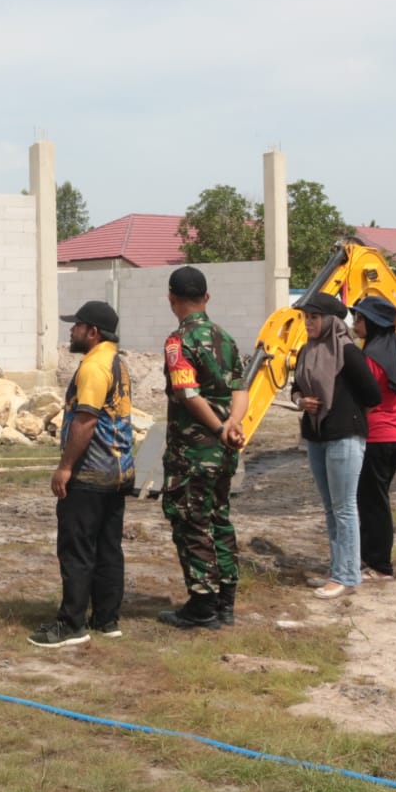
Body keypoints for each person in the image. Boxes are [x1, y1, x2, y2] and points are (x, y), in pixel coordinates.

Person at [28, 300, 134, 648]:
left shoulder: (93, 367)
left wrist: (65, 467)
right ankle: (107, 618)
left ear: (93, 332)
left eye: (76, 326)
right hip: (117, 472)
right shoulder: (116, 362)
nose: (71, 331)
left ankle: (71, 624)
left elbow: (85, 421)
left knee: (77, 550)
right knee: (108, 548)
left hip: (90, 473)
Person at [157, 266, 249, 630]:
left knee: (191, 521)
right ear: (206, 298)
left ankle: (202, 604)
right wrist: (232, 426)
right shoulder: (226, 338)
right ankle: (226, 602)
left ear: (171, 300)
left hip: (193, 452)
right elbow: (241, 389)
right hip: (225, 450)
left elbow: (187, 394)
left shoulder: (177, 343)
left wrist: (216, 428)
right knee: (219, 519)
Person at [293, 291, 382, 600]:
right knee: (330, 508)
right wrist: (301, 401)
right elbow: (295, 388)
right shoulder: (307, 351)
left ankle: (347, 575)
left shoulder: (348, 352)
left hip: (344, 436)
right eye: (306, 318)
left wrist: (348, 413)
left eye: (314, 318)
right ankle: (338, 570)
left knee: (344, 508)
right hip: (316, 436)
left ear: (330, 321)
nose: (308, 323)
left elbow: (373, 395)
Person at [352, 296, 396, 582]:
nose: (355, 323)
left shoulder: (372, 357)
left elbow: (365, 399)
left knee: (372, 502)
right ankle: (370, 558)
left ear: (373, 323)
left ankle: (379, 565)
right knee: (375, 499)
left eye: (360, 319)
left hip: (377, 435)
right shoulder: (395, 350)